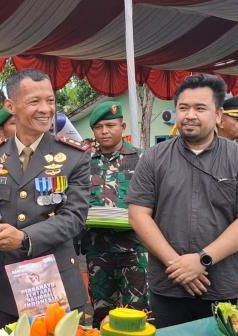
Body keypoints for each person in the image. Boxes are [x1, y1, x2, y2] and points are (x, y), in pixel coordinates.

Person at [126, 73, 238, 328]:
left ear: (217, 115)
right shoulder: (154, 158)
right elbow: (138, 214)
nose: (190, 114)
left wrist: (202, 260)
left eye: (200, 108)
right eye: (183, 107)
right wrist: (177, 265)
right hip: (167, 285)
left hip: (224, 286)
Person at [0, 69, 91, 333]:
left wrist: (25, 239)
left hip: (57, 286)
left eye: (50, 101)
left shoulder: (73, 156)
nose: (46, 109)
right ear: (11, 106)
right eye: (34, 101)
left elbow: (74, 219)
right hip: (6, 287)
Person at [81, 101, 148, 327]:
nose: (104, 131)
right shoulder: (83, 162)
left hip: (134, 250)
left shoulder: (142, 159)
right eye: (98, 127)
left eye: (110, 125)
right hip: (97, 249)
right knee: (102, 312)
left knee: (138, 311)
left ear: (123, 126)